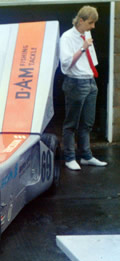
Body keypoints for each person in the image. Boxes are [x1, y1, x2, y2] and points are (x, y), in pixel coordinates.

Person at [59, 6, 107, 170]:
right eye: (90, 23)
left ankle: (86, 156)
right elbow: (65, 64)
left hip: (90, 81)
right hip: (75, 83)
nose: (93, 26)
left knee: (87, 123)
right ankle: (70, 158)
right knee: (71, 123)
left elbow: (89, 59)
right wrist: (83, 47)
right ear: (81, 21)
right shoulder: (67, 37)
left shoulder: (86, 34)